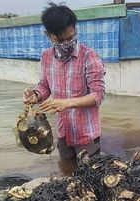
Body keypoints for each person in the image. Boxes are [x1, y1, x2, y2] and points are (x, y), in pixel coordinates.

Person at [23, 4, 105, 163]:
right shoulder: (46, 57)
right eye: (60, 39)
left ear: (75, 30)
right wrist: (35, 95)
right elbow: (45, 85)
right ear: (48, 35)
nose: (66, 43)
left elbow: (98, 95)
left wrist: (67, 103)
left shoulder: (90, 57)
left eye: (70, 37)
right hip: (63, 134)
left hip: (86, 137)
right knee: (67, 177)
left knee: (91, 180)